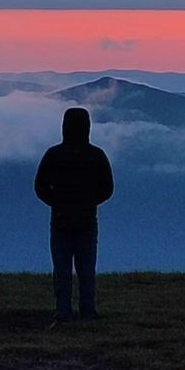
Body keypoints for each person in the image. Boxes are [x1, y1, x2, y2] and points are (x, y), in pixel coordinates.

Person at [34, 107, 114, 324]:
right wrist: (89, 202)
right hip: (87, 219)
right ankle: (88, 311)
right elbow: (107, 188)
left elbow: (40, 186)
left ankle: (63, 312)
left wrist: (57, 203)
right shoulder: (96, 155)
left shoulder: (54, 154)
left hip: (60, 219)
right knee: (86, 268)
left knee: (62, 269)